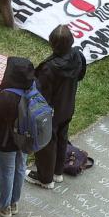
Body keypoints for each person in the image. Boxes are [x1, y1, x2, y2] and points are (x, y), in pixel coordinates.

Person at [0, 57, 38, 217]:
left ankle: (3, 206)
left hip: (6, 140)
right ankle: (14, 202)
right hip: (26, 138)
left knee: (6, 171)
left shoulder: (6, 96)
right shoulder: (33, 88)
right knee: (20, 168)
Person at [31, 25, 87, 187]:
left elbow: (41, 93)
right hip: (68, 104)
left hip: (51, 110)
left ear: (52, 44)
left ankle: (45, 178)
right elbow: (80, 75)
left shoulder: (49, 68)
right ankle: (57, 172)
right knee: (62, 137)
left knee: (47, 142)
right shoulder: (77, 56)